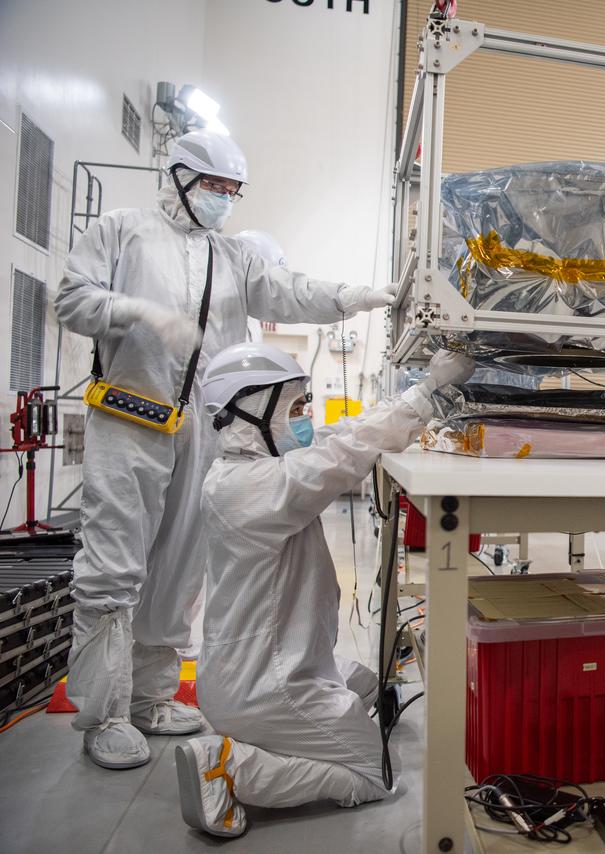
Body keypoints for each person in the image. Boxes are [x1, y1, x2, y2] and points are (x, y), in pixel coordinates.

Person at [55, 129, 398, 770]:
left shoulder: (233, 254)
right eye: (214, 186)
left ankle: (152, 698)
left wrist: (353, 297)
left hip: (202, 427)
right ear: (181, 177)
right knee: (114, 563)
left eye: (232, 189)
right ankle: (102, 714)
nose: (223, 199)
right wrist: (136, 313)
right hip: (130, 418)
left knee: (181, 566)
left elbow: (289, 290)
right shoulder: (121, 229)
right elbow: (71, 299)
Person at [175, 344, 475, 838]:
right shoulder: (249, 488)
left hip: (252, 670)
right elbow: (341, 455)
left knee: (364, 681)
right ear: (252, 412)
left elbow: (337, 436)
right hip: (265, 688)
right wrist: (425, 389)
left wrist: (411, 399)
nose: (304, 421)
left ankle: (285, 735)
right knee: (376, 775)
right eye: (293, 409)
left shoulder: (248, 471)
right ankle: (233, 766)